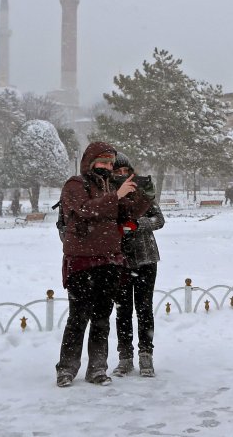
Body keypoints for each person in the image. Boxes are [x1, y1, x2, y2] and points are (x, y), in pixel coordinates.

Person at [55, 142, 151, 388]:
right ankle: (66, 368)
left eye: (110, 162)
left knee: (101, 318)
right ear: (90, 162)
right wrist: (115, 196)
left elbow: (126, 214)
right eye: (103, 162)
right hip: (82, 262)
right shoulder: (75, 185)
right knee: (78, 317)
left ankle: (97, 368)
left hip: (109, 261)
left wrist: (143, 196)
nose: (108, 167)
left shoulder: (110, 188)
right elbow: (85, 210)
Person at [110, 152, 164, 378]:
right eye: (117, 172)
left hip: (145, 258)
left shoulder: (142, 192)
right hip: (120, 260)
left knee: (144, 308)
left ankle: (145, 354)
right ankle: (125, 356)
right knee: (123, 310)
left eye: (125, 171)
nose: (122, 175)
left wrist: (137, 224)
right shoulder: (110, 195)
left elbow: (159, 220)